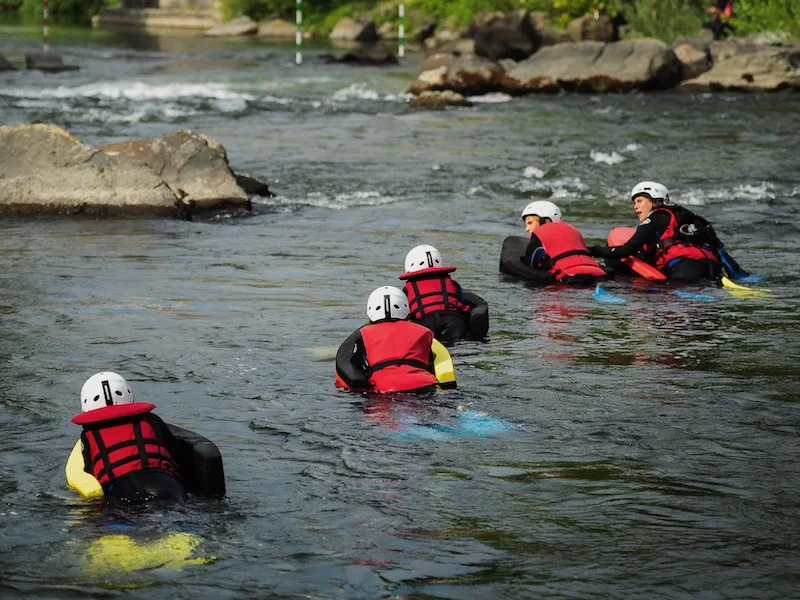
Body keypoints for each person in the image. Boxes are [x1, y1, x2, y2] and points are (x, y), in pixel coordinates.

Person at [71, 371, 186, 504]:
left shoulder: (89, 434)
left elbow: (89, 473)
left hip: (124, 490)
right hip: (167, 484)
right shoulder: (152, 420)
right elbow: (176, 454)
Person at [589, 181, 722, 283]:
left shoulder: (656, 217)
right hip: (712, 267)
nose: (635, 207)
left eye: (639, 201)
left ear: (654, 201)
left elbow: (626, 250)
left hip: (685, 271)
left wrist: (594, 251)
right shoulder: (685, 216)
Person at [335, 286, 454, 394]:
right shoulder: (425, 332)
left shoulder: (362, 335)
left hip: (385, 391)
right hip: (425, 387)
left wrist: (360, 386)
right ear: (406, 309)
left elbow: (347, 366)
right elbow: (444, 367)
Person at [520, 200, 609, 285]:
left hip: (570, 279)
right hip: (598, 275)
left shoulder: (539, 237)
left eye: (530, 223)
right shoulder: (574, 230)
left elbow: (529, 266)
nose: (527, 229)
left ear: (546, 221)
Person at [398, 244, 473, 344]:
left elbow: (404, 315)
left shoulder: (407, 289)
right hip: (453, 321)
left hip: (425, 323)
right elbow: (462, 305)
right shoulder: (453, 284)